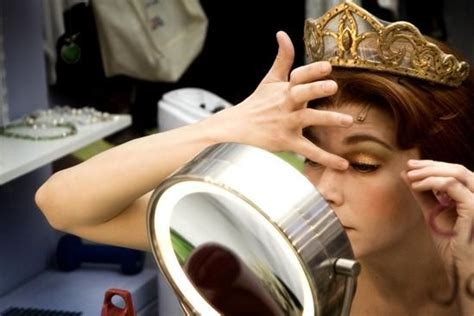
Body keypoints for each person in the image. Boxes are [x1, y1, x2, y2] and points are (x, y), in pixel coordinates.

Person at [36, 1, 473, 315]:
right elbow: (64, 205)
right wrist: (223, 127)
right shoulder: (288, 236)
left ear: (443, 181)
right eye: (314, 156)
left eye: (363, 164)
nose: (322, 190)